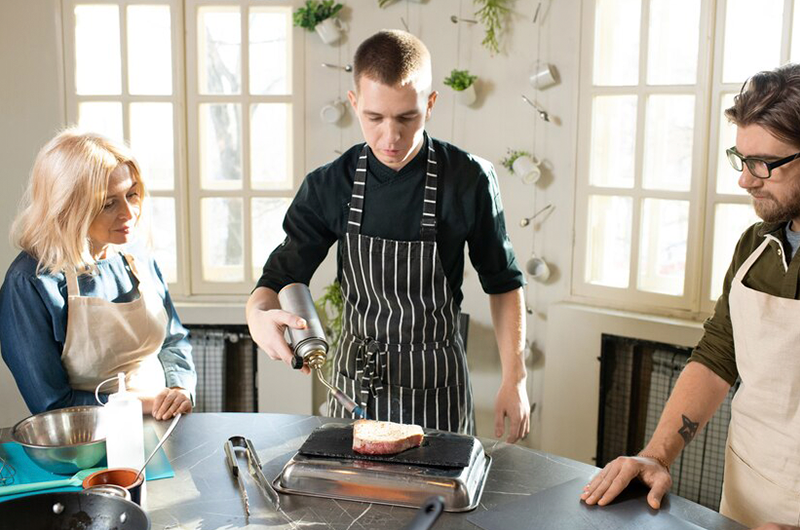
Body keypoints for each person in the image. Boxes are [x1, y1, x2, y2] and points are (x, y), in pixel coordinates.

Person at [246, 30, 530, 441]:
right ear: (354, 103)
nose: (390, 137)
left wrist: (514, 378)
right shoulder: (331, 184)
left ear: (430, 105)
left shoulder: (468, 180)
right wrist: (256, 317)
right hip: (355, 384)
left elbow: (503, 284)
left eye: (406, 118)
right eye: (374, 118)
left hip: (437, 385)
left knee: (439, 500)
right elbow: (275, 281)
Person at [581, 63, 800, 530]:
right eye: (740, 159)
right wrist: (656, 455)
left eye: (764, 164)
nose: (745, 180)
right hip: (745, 503)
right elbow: (720, 355)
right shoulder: (755, 247)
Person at [0, 129, 195, 420]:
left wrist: (179, 389)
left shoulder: (137, 255)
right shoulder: (31, 282)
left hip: (166, 424)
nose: (129, 214)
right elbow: (51, 403)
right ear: (67, 207)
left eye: (131, 194)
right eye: (108, 203)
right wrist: (144, 404)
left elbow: (173, 340)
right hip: (85, 443)